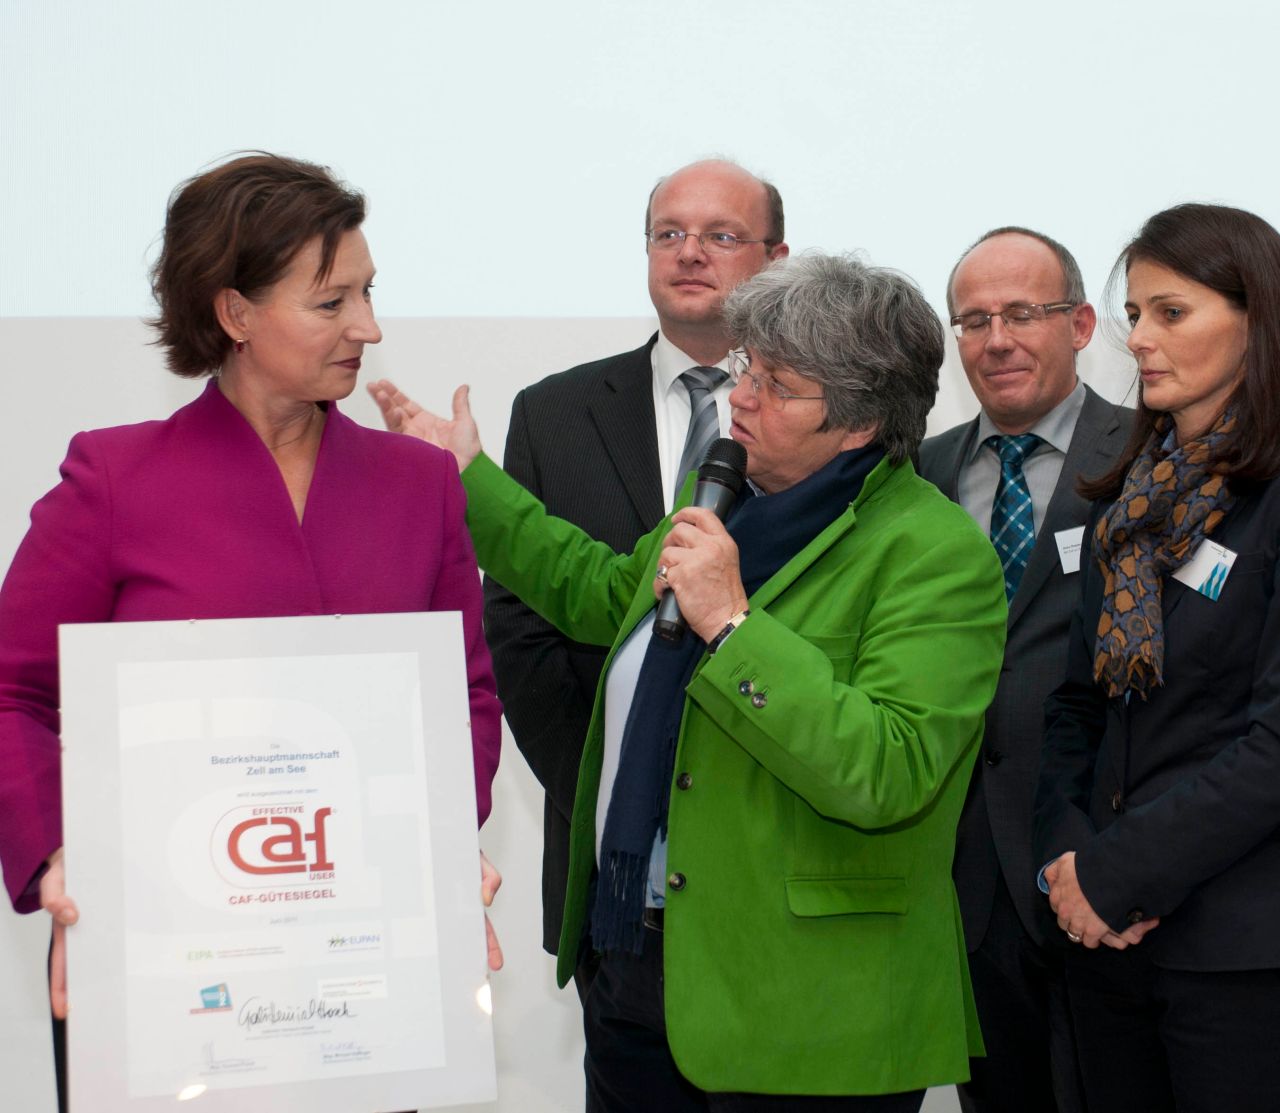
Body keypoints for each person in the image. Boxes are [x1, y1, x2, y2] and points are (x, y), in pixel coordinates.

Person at [371, 252, 1007, 1110]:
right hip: (641, 958)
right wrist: (467, 480)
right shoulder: (722, 499)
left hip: (808, 1005)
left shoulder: (935, 553)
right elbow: (597, 593)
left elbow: (888, 767)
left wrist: (734, 627)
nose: (739, 396)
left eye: (777, 386)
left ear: (856, 424)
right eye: (748, 367)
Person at [0, 153, 503, 1112]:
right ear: (234, 313)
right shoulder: (114, 479)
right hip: (163, 967)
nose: (370, 326)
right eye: (332, 301)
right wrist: (56, 858)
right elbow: (10, 689)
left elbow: (464, 696)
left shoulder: (419, 483)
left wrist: (439, 839)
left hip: (365, 964)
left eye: (369, 292)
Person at [1034, 203, 1280, 1112]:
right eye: (1135, 314)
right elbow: (1076, 708)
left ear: (1257, 320)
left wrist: (1119, 874)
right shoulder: (1125, 503)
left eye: (1170, 312)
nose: (1141, 337)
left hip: (1242, 953)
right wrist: (1069, 863)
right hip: (1102, 942)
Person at [480, 160, 788, 1077]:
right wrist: (615, 780)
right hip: (616, 868)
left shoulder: (823, 420)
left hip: (769, 859)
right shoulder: (554, 411)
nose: (689, 252)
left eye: (721, 235)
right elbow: (523, 626)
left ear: (777, 258)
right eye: (668, 233)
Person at [919, 226, 1128, 1113]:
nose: (995, 338)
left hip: (1108, 862)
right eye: (973, 320)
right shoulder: (919, 475)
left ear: (1080, 324)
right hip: (965, 883)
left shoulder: (1145, 455)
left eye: (1022, 314)